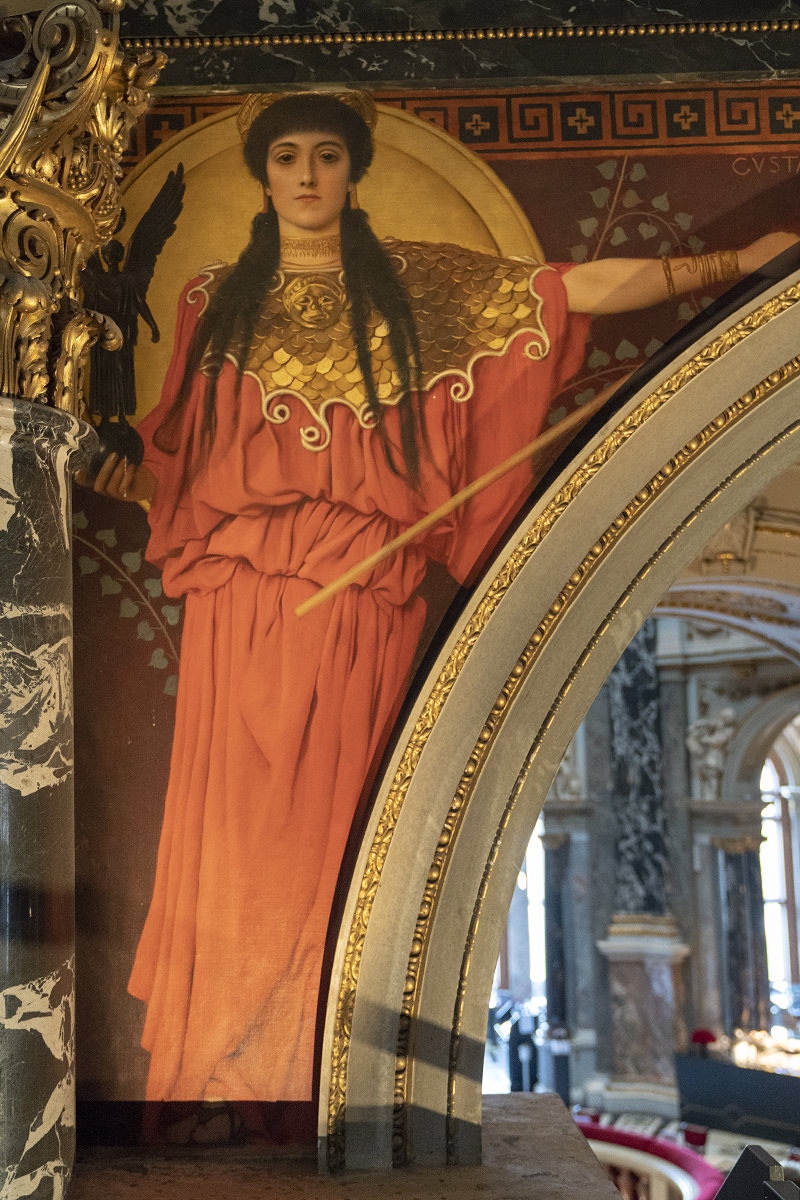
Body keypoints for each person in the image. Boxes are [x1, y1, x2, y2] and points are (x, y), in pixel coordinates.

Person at [85, 89, 796, 1108]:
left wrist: (727, 265)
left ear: (352, 169)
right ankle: (221, 1072)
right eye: (283, 155)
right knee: (234, 838)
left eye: (325, 155)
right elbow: (183, 457)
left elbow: (573, 289)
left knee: (336, 839)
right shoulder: (213, 297)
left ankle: (316, 1070)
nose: (304, 174)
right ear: (262, 174)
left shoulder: (421, 286)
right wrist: (113, 475)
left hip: (360, 594)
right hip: (238, 605)